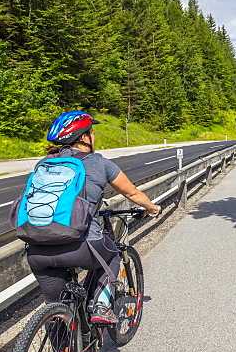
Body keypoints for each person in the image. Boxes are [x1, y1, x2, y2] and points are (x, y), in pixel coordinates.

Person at [25, 111, 161, 324]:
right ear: (84, 138)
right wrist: (152, 208)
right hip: (80, 245)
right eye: (92, 133)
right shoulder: (98, 163)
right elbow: (131, 193)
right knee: (112, 254)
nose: (94, 137)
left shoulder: (44, 164)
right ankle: (101, 304)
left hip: (36, 249)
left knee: (54, 306)